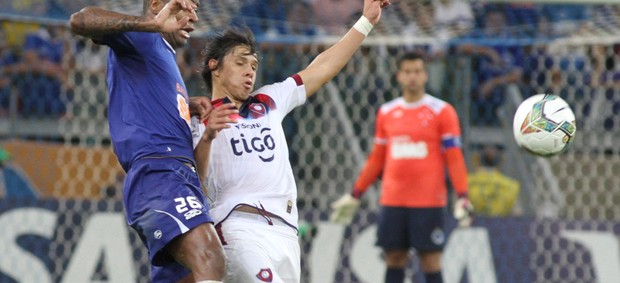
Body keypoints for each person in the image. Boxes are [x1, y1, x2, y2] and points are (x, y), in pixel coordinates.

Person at [191, 0, 390, 282]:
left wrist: (366, 21)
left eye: (254, 65)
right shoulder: (199, 120)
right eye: (240, 62)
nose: (250, 71)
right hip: (239, 228)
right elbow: (197, 184)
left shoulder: (269, 100)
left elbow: (321, 68)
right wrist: (209, 137)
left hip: (286, 232)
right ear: (215, 66)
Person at [69, 1, 229, 282]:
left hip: (181, 177)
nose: (194, 16)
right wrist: (151, 24)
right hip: (159, 174)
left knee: (193, 275)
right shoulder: (145, 36)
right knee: (209, 255)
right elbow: (81, 21)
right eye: (185, 6)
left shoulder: (162, 55)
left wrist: (185, 105)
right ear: (157, 5)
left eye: (195, 9)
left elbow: (143, 97)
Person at [330, 52, 473, 283]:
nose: (412, 77)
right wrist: (355, 194)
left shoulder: (442, 111)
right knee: (394, 257)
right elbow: (377, 158)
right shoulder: (387, 112)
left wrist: (463, 196)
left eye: (417, 71)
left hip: (428, 200)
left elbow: (454, 157)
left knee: (430, 259)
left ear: (425, 75)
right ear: (399, 76)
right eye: (407, 72)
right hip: (393, 200)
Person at [468, 144, 520, 217]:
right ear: (501, 161)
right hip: (500, 226)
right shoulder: (511, 186)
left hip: (471, 226)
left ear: (475, 159)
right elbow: (517, 215)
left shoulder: (465, 183)